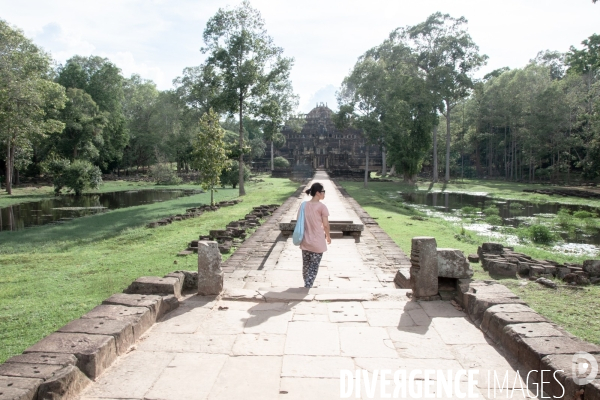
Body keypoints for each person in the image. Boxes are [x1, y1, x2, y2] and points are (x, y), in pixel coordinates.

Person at [298, 182, 331, 288]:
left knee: (306, 265)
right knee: (314, 265)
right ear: (318, 193)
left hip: (305, 240)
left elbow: (299, 220)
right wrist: (328, 236)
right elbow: (325, 225)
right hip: (317, 241)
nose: (324, 194)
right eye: (323, 192)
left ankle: (306, 283)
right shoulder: (322, 207)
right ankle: (308, 285)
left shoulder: (303, 205)